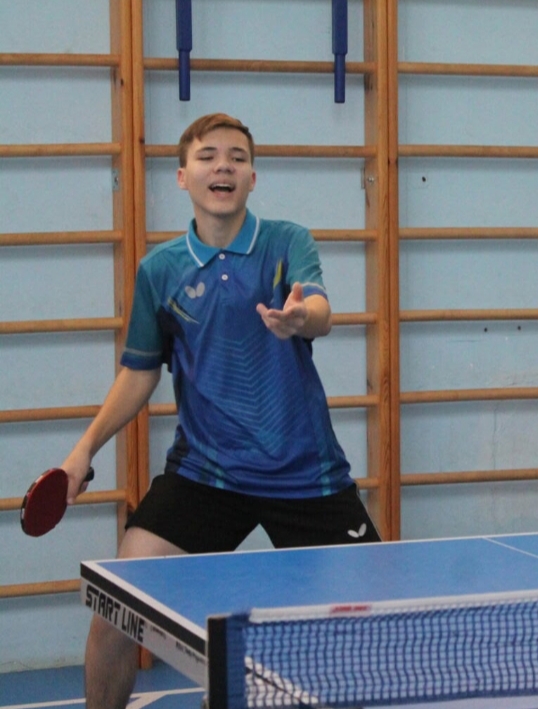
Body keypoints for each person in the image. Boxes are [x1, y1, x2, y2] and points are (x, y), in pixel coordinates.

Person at [60, 113, 381, 709]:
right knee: (115, 610)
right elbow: (139, 372)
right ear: (183, 176)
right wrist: (83, 451)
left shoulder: (286, 242)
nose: (223, 166)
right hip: (207, 474)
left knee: (374, 626)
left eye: (237, 156)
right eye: (207, 156)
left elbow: (320, 310)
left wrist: (300, 319)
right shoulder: (160, 271)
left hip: (305, 475)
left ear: (252, 177)